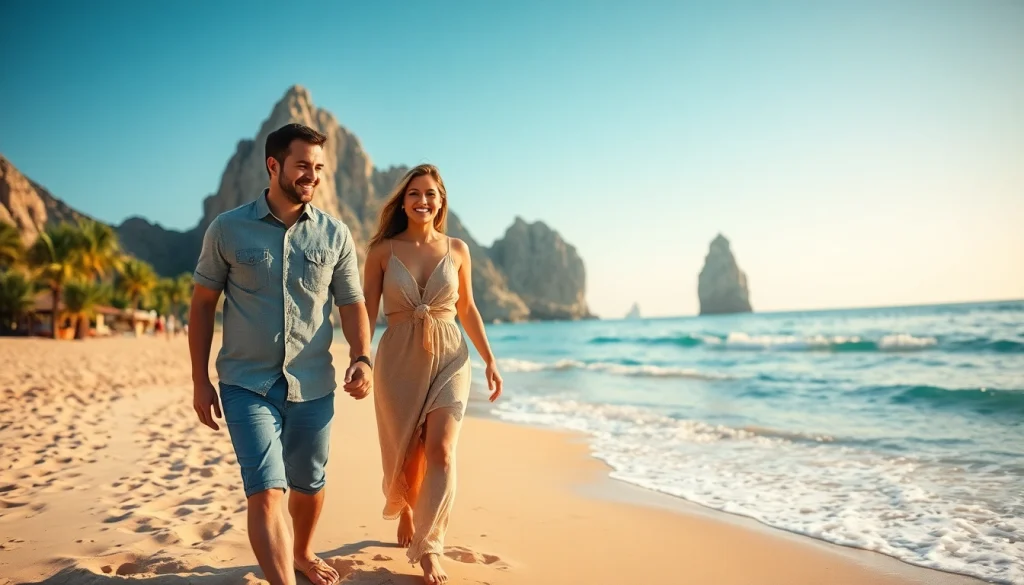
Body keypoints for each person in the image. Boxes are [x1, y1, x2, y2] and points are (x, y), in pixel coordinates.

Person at [188, 123, 373, 585]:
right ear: (274, 166)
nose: (312, 175)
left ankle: (304, 551)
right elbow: (203, 305)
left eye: (318, 168)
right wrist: (199, 381)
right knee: (267, 493)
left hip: (312, 383)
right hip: (246, 383)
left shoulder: (335, 235)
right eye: (303, 166)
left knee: (309, 485)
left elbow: (352, 303)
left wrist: (362, 356)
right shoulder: (227, 228)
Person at [362, 164, 503, 584]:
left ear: (441, 201)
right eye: (414, 194)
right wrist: (360, 359)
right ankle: (407, 508)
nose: (422, 201)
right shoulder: (382, 251)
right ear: (402, 201)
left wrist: (490, 360)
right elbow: (367, 311)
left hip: (450, 356)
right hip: (398, 358)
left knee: (440, 449)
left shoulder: (457, 249)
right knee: (406, 451)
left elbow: (468, 309)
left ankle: (429, 547)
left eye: (430, 194)